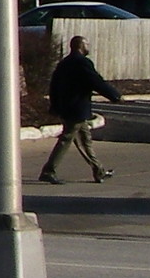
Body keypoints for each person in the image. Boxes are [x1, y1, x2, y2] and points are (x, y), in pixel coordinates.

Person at [41, 34, 121, 184]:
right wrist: (115, 96)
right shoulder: (82, 63)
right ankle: (48, 171)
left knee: (85, 141)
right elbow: (96, 82)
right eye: (87, 44)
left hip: (68, 108)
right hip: (76, 109)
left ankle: (99, 171)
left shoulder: (64, 63)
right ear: (80, 46)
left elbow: (54, 86)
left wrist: (55, 106)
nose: (88, 47)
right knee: (66, 139)